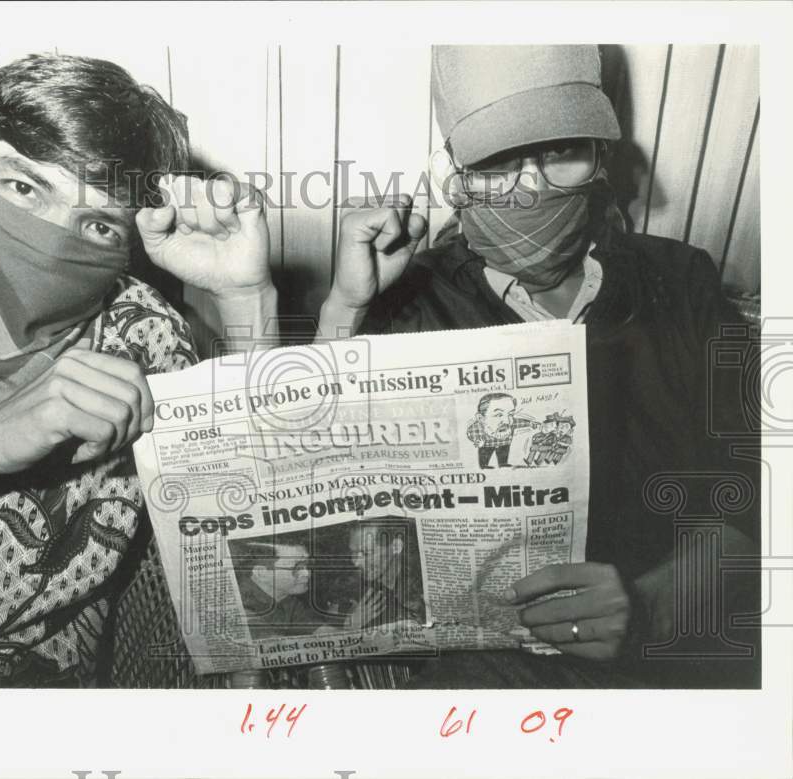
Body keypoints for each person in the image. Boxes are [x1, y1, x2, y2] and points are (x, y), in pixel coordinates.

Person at [316, 45, 760, 687]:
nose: (531, 186)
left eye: (560, 151)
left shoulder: (680, 280)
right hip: (490, 670)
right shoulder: (410, 301)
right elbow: (317, 491)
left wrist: (651, 605)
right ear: (456, 174)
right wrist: (346, 307)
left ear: (600, 158)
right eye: (498, 161)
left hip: (681, 651)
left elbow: (758, 491)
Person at [0, 54, 276, 687]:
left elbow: (269, 531)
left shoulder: (142, 347)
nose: (47, 242)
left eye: (96, 223)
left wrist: (244, 300)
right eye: (22, 189)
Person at [345, 519, 426, 630]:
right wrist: (350, 627)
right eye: (353, 552)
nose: (356, 562)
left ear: (396, 546)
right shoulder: (354, 588)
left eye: (367, 553)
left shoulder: (422, 590)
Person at [229, 536, 316, 639]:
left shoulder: (287, 598)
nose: (306, 573)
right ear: (261, 573)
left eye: (307, 564)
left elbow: (316, 628)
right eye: (296, 567)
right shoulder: (240, 605)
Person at [465, 392, 538, 469]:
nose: (507, 421)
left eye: (510, 414)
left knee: (503, 454)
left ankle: (503, 464)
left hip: (504, 443)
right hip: (487, 445)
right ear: (481, 418)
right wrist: (477, 440)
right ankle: (484, 466)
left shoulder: (512, 423)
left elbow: (520, 422)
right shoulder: (479, 426)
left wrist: (530, 423)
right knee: (485, 455)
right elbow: (471, 432)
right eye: (498, 415)